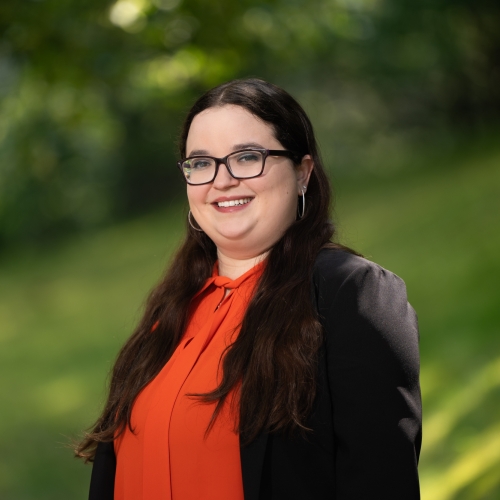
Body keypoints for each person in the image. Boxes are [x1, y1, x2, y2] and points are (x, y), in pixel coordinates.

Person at [77, 78, 422, 500]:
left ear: (303, 172)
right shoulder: (169, 314)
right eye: (201, 163)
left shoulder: (352, 293)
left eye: (246, 157)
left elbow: (380, 484)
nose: (221, 180)